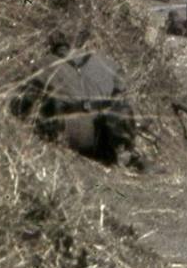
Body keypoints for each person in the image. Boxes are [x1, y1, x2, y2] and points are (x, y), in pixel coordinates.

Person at [14, 31, 155, 172]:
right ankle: (126, 154)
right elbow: (122, 92)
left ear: (52, 46)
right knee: (120, 109)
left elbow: (23, 102)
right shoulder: (103, 61)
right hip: (107, 134)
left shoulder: (43, 65)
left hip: (74, 135)